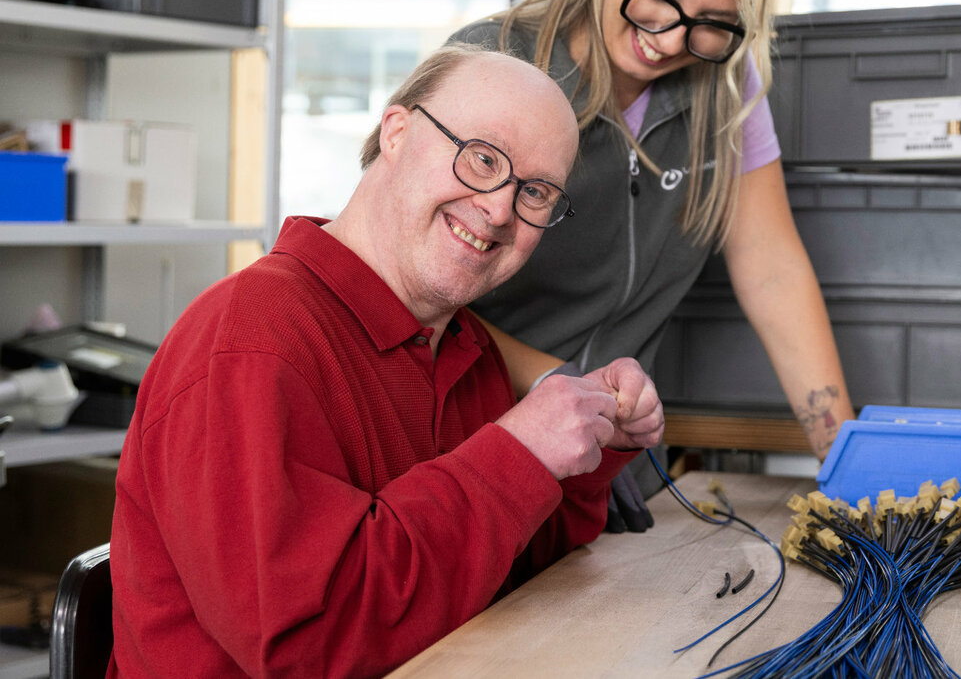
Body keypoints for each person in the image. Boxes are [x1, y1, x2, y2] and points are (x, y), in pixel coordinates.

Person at [106, 44, 664, 678]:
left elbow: (506, 563)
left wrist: (587, 448)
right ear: (396, 133)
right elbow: (308, 646)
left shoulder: (465, 347)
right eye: (481, 158)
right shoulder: (251, 343)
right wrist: (518, 454)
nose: (501, 210)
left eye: (534, 192)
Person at [449, 0, 855, 478]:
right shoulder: (490, 66)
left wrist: (843, 456)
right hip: (474, 454)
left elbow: (771, 269)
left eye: (711, 23)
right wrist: (564, 388)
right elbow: (405, 293)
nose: (667, 41)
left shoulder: (728, 84)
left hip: (615, 472)